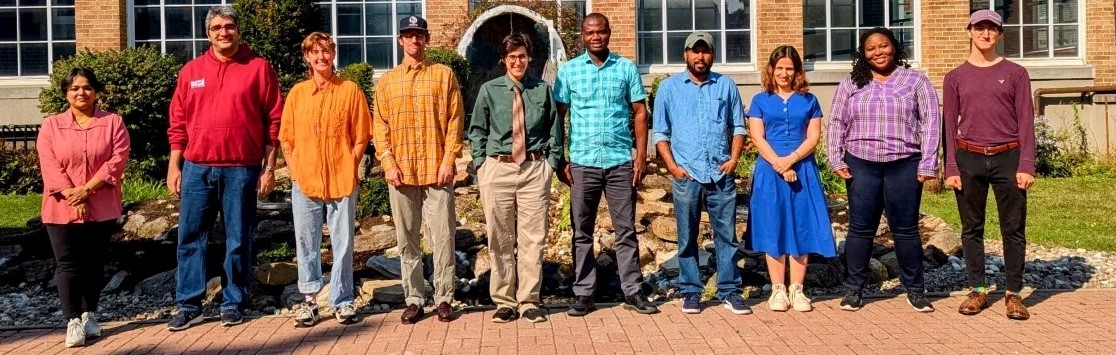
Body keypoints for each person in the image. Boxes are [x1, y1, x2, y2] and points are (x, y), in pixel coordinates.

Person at [166, 5, 283, 330]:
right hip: (196, 168)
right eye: (217, 27)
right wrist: (174, 166)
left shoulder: (258, 69)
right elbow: (178, 122)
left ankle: (234, 301)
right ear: (208, 33)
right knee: (190, 237)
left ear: (238, 30)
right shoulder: (191, 71)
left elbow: (274, 120)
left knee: (238, 237)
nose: (223, 32)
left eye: (229, 26)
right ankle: (189, 304)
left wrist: (269, 167)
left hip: (241, 169)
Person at [826, 27, 940, 313]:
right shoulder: (852, 83)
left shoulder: (915, 81)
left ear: (894, 48)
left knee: (906, 229)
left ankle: (915, 290)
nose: (878, 52)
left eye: (883, 46)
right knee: (861, 229)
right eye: (871, 48)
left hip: (904, 163)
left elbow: (930, 122)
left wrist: (928, 163)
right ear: (863, 54)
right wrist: (836, 159)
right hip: (861, 163)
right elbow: (837, 121)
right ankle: (853, 290)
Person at [554, 13, 658, 316]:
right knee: (581, 230)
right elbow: (558, 116)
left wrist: (640, 156)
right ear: (582, 36)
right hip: (583, 162)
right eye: (590, 33)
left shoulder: (625, 68)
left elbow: (640, 112)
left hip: (619, 162)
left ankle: (633, 290)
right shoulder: (569, 72)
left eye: (600, 32)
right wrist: (561, 159)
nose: (595, 37)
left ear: (609, 34)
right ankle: (584, 292)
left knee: (625, 230)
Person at [371, 15, 464, 324]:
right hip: (401, 173)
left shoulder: (443, 75)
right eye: (409, 35)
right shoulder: (387, 82)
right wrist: (387, 162)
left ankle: (444, 297)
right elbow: (379, 127)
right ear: (400, 40)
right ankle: (413, 298)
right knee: (407, 239)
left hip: (437, 171)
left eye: (419, 35)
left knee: (443, 237)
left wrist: (449, 159)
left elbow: (455, 120)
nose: (414, 40)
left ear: (427, 39)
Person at [944, 10, 1036, 321]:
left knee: (1013, 228)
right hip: (968, 158)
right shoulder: (955, 77)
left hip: (1008, 157)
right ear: (969, 31)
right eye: (980, 28)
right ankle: (978, 289)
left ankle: (1013, 292)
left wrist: (1026, 164)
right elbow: (948, 126)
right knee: (972, 229)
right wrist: (951, 168)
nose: (986, 34)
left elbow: (1026, 122)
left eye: (992, 29)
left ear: (999, 34)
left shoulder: (1016, 74)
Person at [651, 31, 751, 315]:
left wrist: (733, 159)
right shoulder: (670, 89)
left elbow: (739, 126)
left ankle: (729, 290)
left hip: (720, 174)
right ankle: (691, 291)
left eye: (705, 51)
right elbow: (660, 132)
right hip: (688, 175)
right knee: (687, 236)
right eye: (694, 51)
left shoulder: (726, 85)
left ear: (712, 55)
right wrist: (673, 167)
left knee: (727, 236)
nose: (700, 56)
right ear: (685, 54)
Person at [469, 33, 562, 324]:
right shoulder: (489, 90)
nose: (517, 62)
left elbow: (554, 130)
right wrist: (481, 164)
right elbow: (476, 130)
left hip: (534, 169)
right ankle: (505, 300)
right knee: (500, 237)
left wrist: (551, 163)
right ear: (504, 60)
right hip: (498, 169)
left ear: (528, 58)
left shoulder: (542, 89)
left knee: (533, 237)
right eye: (512, 58)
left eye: (522, 56)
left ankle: (529, 300)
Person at [279, 32, 371, 327]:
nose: (321, 58)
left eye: (326, 52)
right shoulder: (297, 93)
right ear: (307, 57)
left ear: (334, 54)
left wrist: (350, 165)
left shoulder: (350, 90)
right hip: (305, 181)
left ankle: (342, 300)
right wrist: (295, 171)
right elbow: (286, 139)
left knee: (343, 242)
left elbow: (361, 136)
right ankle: (308, 301)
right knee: (306, 241)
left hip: (342, 180)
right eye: (315, 53)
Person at [37, 68, 130, 347]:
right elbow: (49, 163)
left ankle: (90, 315)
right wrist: (71, 194)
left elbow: (118, 158)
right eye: (75, 88)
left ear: (96, 92)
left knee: (93, 263)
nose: (81, 93)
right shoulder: (51, 125)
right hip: (60, 205)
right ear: (66, 93)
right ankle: (73, 320)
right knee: (67, 263)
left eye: (87, 87)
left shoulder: (113, 122)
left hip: (100, 202)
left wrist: (87, 190)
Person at [747, 45, 836, 312]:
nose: (784, 73)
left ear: (797, 70)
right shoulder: (760, 100)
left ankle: (797, 289)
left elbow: (813, 136)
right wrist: (779, 163)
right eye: (779, 68)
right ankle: (777, 290)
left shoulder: (809, 101)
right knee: (774, 224)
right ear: (771, 70)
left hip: (803, 170)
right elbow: (757, 136)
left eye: (789, 68)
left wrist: (792, 159)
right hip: (770, 171)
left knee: (802, 225)